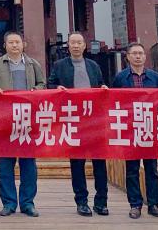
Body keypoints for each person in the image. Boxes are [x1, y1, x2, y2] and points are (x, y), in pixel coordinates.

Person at [47, 32, 109, 217]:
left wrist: (103, 88)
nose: (75, 46)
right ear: (68, 45)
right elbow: (50, 85)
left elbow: (101, 84)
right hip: (73, 119)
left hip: (95, 120)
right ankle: (81, 202)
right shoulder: (59, 65)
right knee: (77, 163)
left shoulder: (93, 66)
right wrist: (56, 88)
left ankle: (101, 202)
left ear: (84, 45)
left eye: (79, 42)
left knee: (100, 163)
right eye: (72, 42)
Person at [0, 30, 46, 217]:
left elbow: (42, 84)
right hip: (4, 120)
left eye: (17, 42)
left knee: (28, 165)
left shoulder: (33, 64)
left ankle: (27, 203)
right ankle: (9, 203)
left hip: (27, 121)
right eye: (10, 42)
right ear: (5, 45)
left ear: (23, 44)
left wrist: (35, 90)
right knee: (5, 164)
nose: (14, 45)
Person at [111, 42, 158, 220]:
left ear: (145, 57)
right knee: (132, 169)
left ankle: (153, 204)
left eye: (141, 53)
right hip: (130, 129)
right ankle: (135, 205)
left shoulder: (155, 77)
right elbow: (114, 101)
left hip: (151, 128)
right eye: (134, 53)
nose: (138, 56)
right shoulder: (120, 78)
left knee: (152, 168)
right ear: (127, 57)